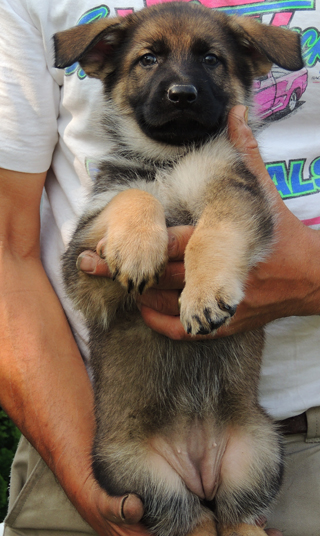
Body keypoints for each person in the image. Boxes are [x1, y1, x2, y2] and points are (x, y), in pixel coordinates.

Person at [0, 0, 319, 534]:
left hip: (272, 434)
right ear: (104, 65)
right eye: (149, 59)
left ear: (249, 66)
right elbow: (16, 253)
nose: (181, 84)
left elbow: (234, 214)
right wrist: (135, 211)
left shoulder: (225, 176)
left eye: (210, 60)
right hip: (107, 431)